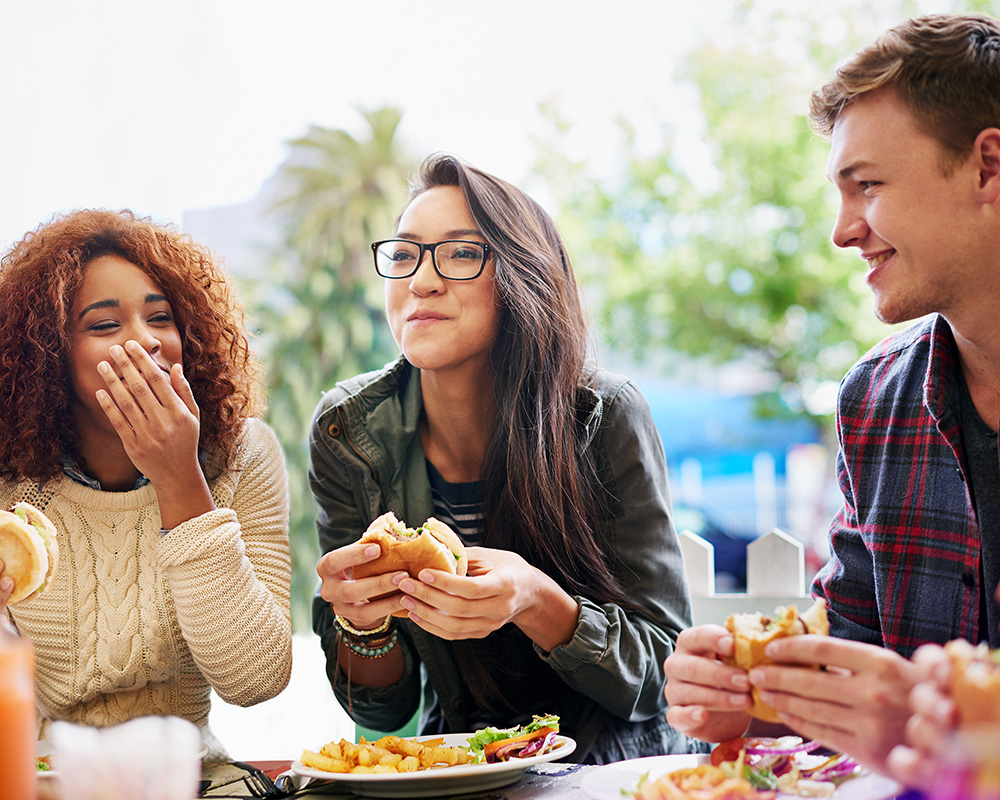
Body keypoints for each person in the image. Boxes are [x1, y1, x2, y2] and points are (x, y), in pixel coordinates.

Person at [663, 11, 1000, 775]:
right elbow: (853, 671)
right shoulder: (874, 400)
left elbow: (902, 723)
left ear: (988, 167)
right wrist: (753, 702)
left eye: (868, 186)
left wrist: (947, 736)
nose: (843, 232)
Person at [310, 153, 698, 763]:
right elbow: (382, 711)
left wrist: (538, 602)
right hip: (459, 766)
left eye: (462, 254)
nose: (421, 281)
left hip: (616, 770)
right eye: (405, 254)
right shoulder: (349, 432)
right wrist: (362, 626)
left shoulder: (604, 413)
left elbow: (663, 678)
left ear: (523, 278)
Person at [0, 209, 293, 758]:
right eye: (105, 325)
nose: (145, 343)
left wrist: (180, 478)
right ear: (47, 355)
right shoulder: (10, 489)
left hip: (195, 780)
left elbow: (257, 679)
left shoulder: (244, 455)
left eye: (160, 318)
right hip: (46, 779)